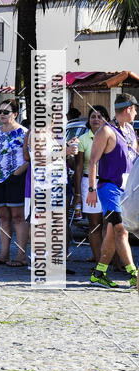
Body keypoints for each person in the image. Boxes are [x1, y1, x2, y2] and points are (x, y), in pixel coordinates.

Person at [87, 93, 138, 288]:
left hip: (127, 189)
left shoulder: (131, 130)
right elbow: (92, 161)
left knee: (110, 232)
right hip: (109, 187)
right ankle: (133, 274)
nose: (135, 113)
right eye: (135, 109)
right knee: (120, 229)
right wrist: (91, 189)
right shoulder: (105, 131)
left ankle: (99, 273)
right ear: (128, 109)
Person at [0, 98, 29, 267]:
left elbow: (31, 157)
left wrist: (20, 171)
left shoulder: (24, 133)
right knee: (3, 217)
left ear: (15, 114)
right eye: (0, 111)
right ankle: (3, 254)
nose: (2, 115)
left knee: (18, 217)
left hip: (15, 178)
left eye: (6, 112)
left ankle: (21, 255)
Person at [73, 105, 109, 263]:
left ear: (105, 119)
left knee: (111, 225)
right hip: (89, 183)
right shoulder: (82, 140)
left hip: (109, 183)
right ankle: (98, 260)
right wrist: (78, 195)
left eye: (100, 116)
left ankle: (113, 262)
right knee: (95, 225)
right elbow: (78, 167)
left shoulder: (112, 136)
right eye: (93, 116)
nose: (96, 119)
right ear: (88, 120)